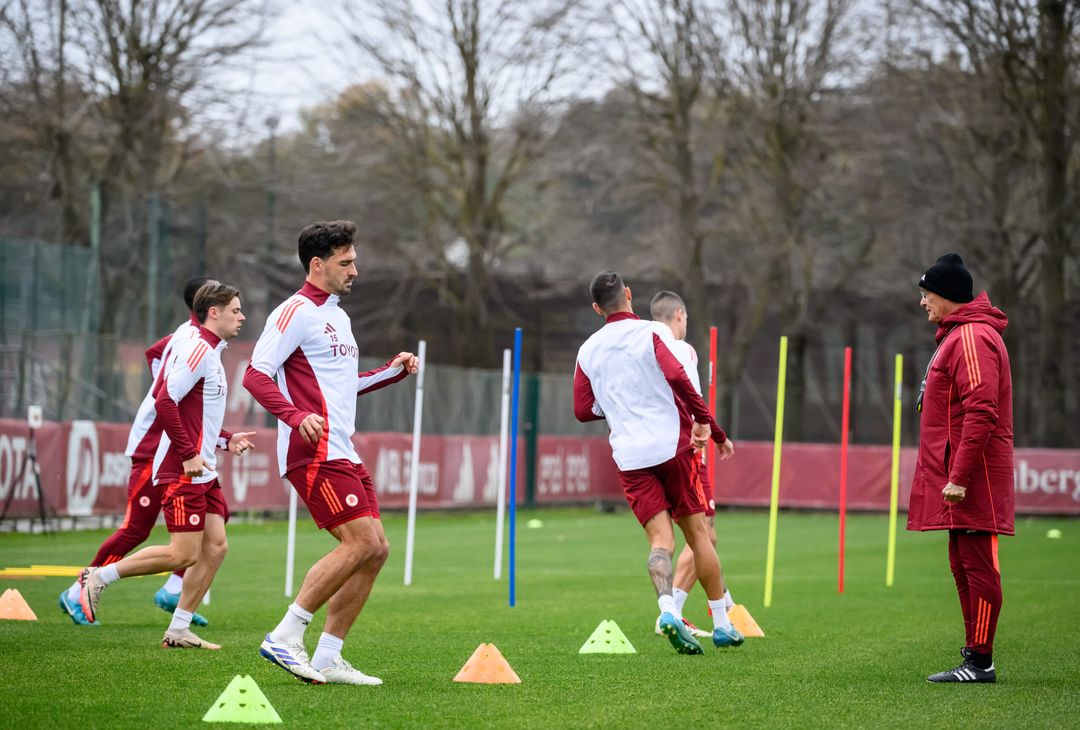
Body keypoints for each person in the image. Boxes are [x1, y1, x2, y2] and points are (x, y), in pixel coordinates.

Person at [243, 220, 418, 686]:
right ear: (317, 264)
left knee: (376, 549)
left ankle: (327, 655)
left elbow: (344, 388)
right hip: (313, 451)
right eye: (346, 262)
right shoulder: (293, 311)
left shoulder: (337, 315)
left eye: (354, 260)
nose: (355, 270)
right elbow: (255, 375)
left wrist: (392, 372)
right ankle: (285, 635)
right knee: (360, 542)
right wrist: (296, 417)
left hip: (344, 450)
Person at [59, 276, 250, 627]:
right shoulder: (190, 340)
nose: (242, 317)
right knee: (145, 533)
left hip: (192, 457)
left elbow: (194, 408)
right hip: (161, 451)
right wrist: (185, 444)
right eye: (236, 310)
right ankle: (84, 585)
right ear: (210, 308)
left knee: (215, 542)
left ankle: (177, 608)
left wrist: (222, 439)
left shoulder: (210, 347)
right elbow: (167, 398)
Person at [574, 271, 742, 654]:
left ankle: (667, 606)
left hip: (630, 457)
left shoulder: (588, 350)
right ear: (629, 295)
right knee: (700, 535)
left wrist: (619, 407)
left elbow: (583, 409)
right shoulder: (654, 332)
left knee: (660, 542)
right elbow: (678, 378)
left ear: (597, 308)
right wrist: (704, 421)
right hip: (672, 448)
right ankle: (721, 623)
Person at [907, 253, 1014, 684]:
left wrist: (960, 476)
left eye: (927, 293)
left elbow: (981, 410)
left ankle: (980, 662)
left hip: (972, 479)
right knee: (962, 563)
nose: (923, 302)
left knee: (978, 566)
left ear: (948, 295)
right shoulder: (957, 335)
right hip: (961, 478)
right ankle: (974, 654)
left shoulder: (970, 337)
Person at [648, 291, 737, 640]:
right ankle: (680, 612)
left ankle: (691, 606)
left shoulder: (642, 349)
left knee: (691, 534)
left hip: (649, 454)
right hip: (686, 453)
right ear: (680, 315)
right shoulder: (683, 351)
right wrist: (716, 434)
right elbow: (695, 400)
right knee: (703, 534)